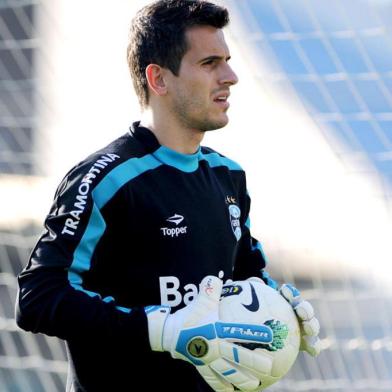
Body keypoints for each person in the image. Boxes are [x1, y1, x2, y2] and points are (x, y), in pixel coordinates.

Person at [15, 1, 321, 391]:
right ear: (159, 79)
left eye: (227, 60)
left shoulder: (229, 176)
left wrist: (281, 311)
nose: (230, 76)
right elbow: (39, 298)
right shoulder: (106, 179)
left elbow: (245, 275)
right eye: (210, 63)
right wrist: (158, 329)